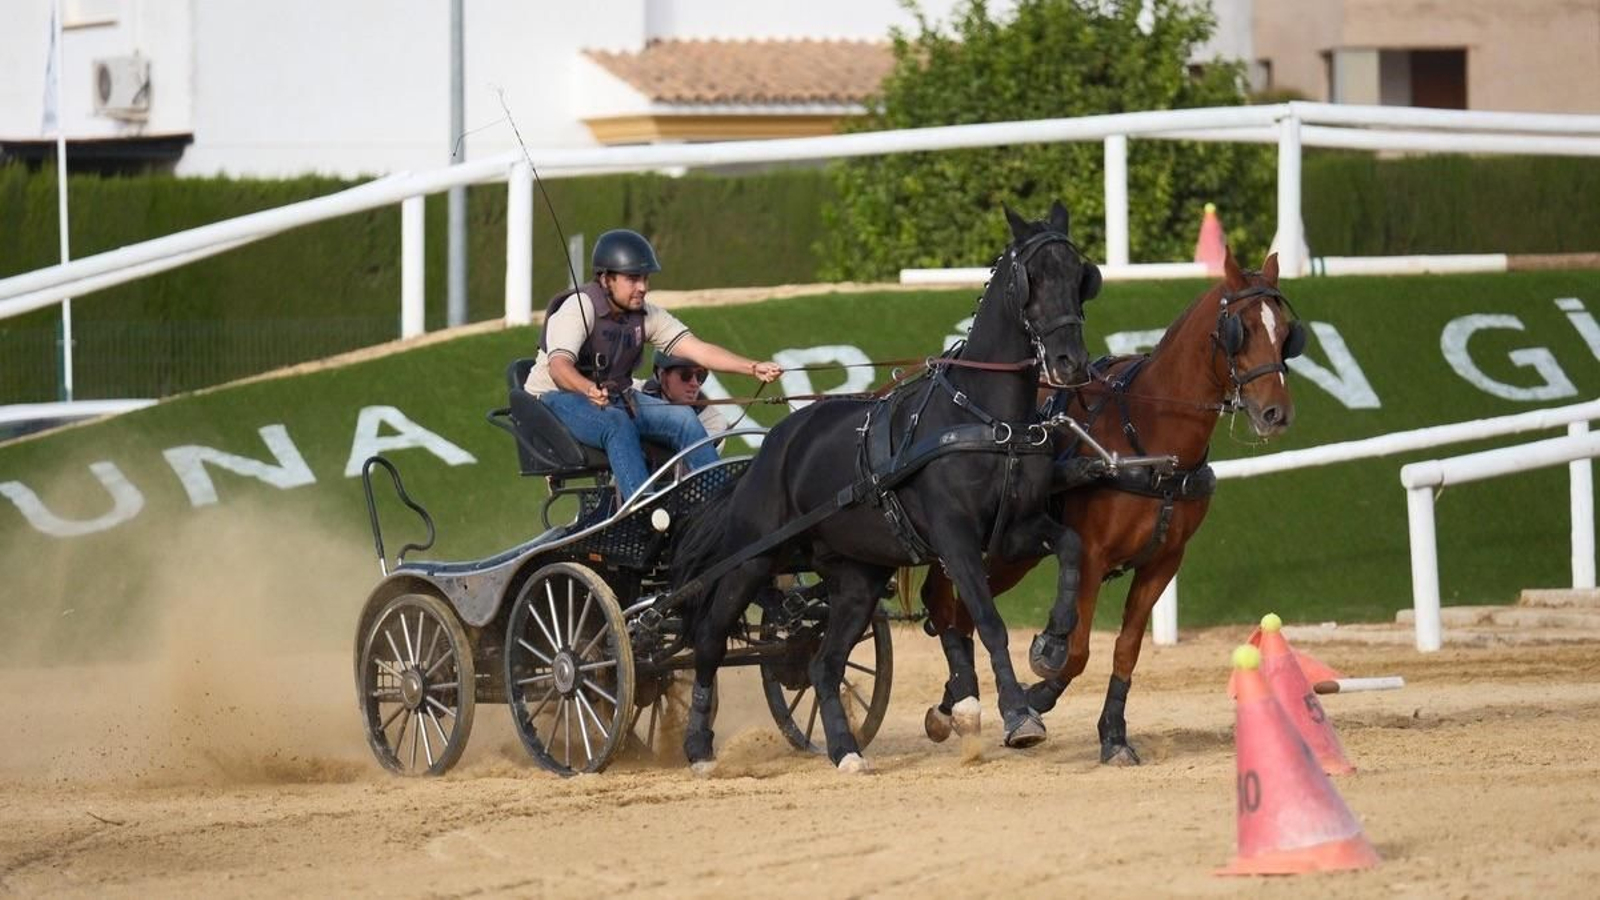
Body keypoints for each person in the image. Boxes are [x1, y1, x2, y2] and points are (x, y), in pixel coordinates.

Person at [523, 228, 781, 500]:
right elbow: (559, 367)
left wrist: (752, 367)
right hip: (554, 401)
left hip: (612, 397)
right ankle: (642, 508)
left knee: (682, 418)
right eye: (633, 278)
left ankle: (720, 504)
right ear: (606, 278)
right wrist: (588, 389)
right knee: (616, 422)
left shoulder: (647, 315)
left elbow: (699, 351)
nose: (643, 287)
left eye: (645, 278)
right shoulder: (579, 307)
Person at [639, 351, 729, 437]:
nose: (695, 383)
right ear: (662, 375)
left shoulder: (710, 421)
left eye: (700, 375)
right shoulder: (633, 393)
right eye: (685, 375)